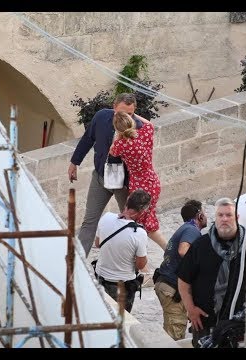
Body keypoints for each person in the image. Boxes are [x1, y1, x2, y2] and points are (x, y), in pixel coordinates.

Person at [68, 93, 143, 257]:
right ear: (114, 107)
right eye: (121, 112)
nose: (125, 117)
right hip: (100, 178)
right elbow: (88, 139)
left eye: (129, 114)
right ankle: (77, 263)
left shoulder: (138, 128)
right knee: (89, 221)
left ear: (134, 111)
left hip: (123, 184)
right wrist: (75, 162)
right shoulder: (101, 117)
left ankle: (134, 264)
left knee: (131, 223)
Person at [177, 197, 246, 348]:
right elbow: (183, 280)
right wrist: (190, 309)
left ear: (237, 217)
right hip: (204, 321)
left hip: (236, 323)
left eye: (229, 215)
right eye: (220, 215)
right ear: (215, 218)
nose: (224, 219)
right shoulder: (201, 245)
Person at [109, 111, 167, 250]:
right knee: (146, 220)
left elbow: (112, 152)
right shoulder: (144, 135)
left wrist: (117, 136)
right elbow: (149, 124)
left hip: (139, 187)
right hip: (153, 182)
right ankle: (165, 250)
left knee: (137, 222)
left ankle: (162, 250)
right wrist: (134, 114)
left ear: (117, 129)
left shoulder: (121, 144)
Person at [154, 200, 208, 341]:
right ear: (200, 215)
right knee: (175, 337)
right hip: (171, 288)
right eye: (205, 212)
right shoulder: (192, 229)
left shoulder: (185, 228)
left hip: (167, 285)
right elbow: (183, 251)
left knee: (173, 331)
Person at [94, 189, 151, 313]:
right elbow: (140, 265)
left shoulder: (107, 217)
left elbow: (97, 244)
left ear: (127, 203)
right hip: (122, 286)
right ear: (141, 212)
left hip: (100, 277)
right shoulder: (139, 233)